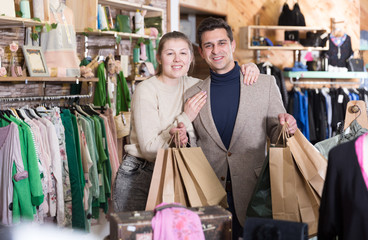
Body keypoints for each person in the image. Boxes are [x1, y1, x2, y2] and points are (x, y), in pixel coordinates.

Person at [112, 31, 261, 212]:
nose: (177, 59)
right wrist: (185, 117)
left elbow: (228, 82)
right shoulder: (146, 90)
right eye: (170, 53)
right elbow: (150, 149)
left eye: (183, 53)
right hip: (141, 175)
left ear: (191, 58)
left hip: (179, 170)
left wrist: (250, 67)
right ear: (159, 58)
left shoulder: (196, 86)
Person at [184, 17, 298, 239]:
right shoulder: (192, 94)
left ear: (233, 45)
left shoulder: (264, 84)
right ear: (201, 52)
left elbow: (276, 129)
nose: (216, 50)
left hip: (255, 191)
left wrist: (287, 127)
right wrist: (182, 136)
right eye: (209, 45)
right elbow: (193, 142)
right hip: (209, 191)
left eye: (221, 43)